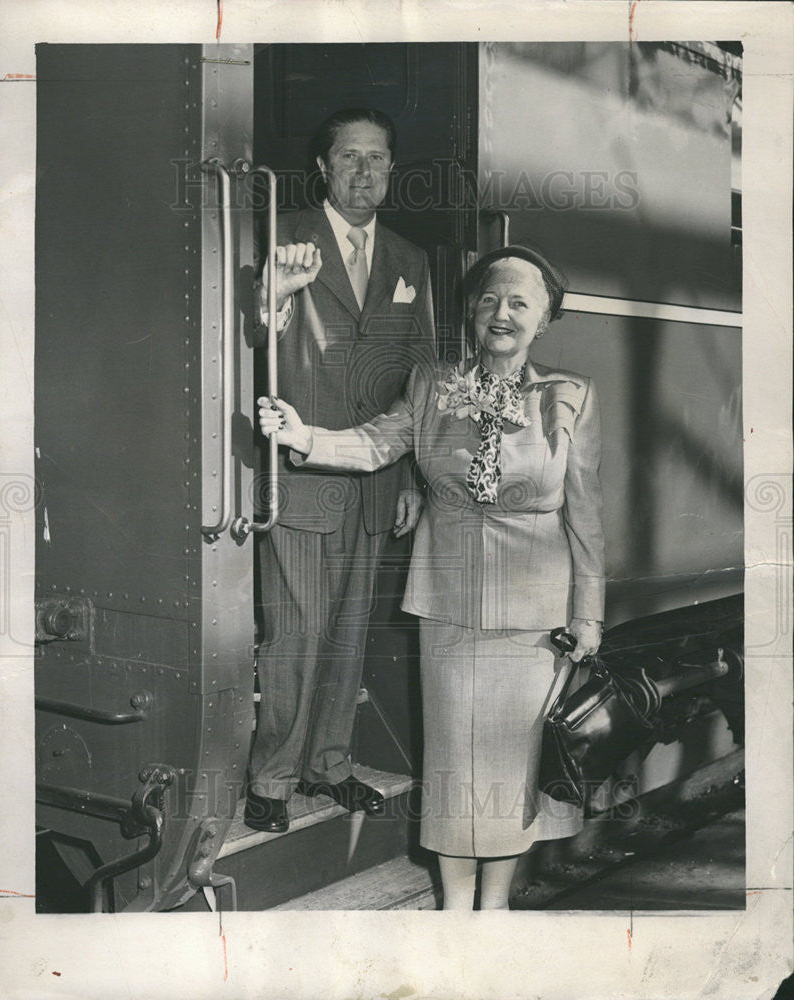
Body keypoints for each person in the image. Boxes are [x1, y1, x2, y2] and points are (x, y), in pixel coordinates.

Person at [257, 245, 605, 909]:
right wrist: (305, 437)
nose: (499, 313)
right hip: (446, 604)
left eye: (518, 303)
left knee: (510, 769)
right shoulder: (432, 385)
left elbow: (587, 516)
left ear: (544, 319)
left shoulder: (568, 397)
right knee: (452, 764)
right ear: (471, 312)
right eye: (487, 300)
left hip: (534, 614)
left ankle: (494, 905)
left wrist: (587, 612)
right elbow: (374, 443)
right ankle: (453, 904)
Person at [245, 108, 435, 833]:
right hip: (299, 471)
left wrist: (413, 477)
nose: (364, 172)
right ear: (321, 166)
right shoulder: (282, 234)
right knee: (295, 635)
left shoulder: (409, 261)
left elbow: (417, 379)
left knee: (349, 632)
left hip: (378, 479)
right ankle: (272, 777)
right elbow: (253, 335)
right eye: (349, 157)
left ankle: (328, 764)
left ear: (391, 169)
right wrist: (275, 298)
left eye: (377, 159)